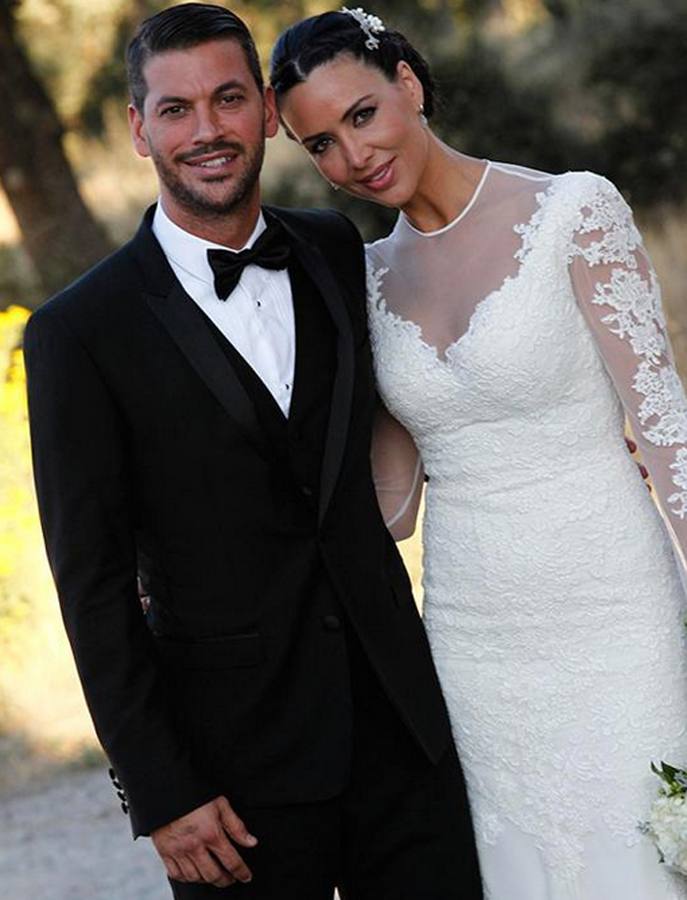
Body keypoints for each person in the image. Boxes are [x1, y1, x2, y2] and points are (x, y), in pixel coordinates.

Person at [23, 4, 484, 899]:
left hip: (403, 744)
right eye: (176, 109)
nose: (206, 131)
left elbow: (420, 409)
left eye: (228, 99)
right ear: (136, 127)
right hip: (231, 782)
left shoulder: (331, 249)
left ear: (268, 113)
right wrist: (161, 788)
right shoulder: (77, 334)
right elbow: (92, 581)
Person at [270, 8, 687, 899]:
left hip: (613, 605)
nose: (352, 158)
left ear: (408, 85)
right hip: (472, 636)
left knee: (637, 857)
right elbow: (392, 501)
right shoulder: (369, 275)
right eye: (320, 145)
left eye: (361, 115)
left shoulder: (574, 209)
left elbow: (664, 426)